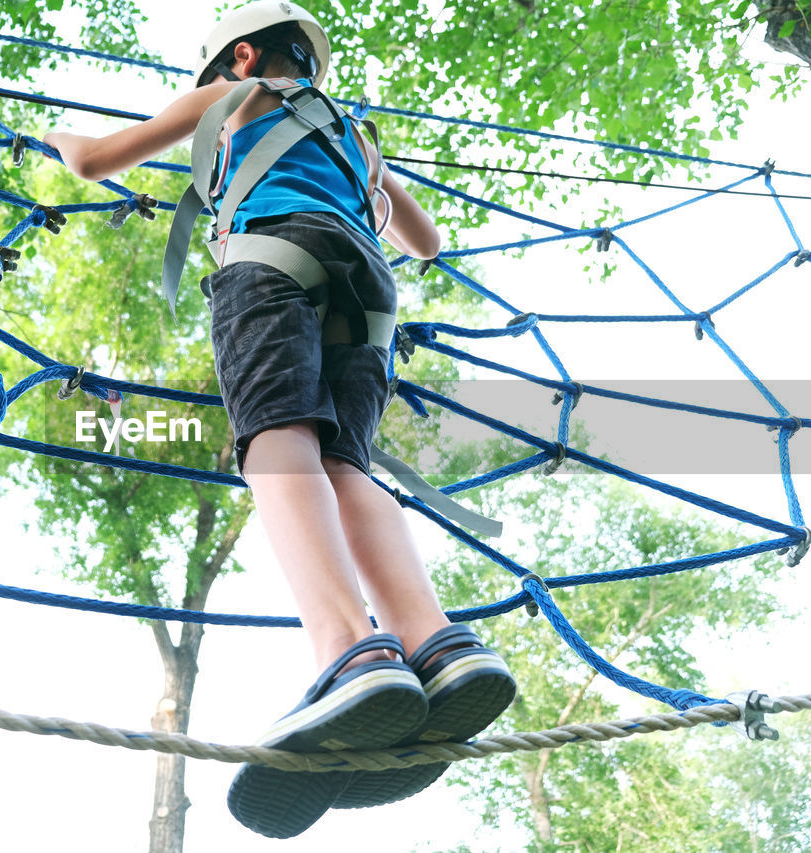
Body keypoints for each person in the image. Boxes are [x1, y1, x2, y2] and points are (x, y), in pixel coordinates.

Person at [44, 0, 515, 838]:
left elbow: (93, 163)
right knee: (346, 467)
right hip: (371, 290)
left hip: (270, 260)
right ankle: (436, 643)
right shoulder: (354, 134)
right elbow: (428, 241)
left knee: (276, 439)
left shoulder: (237, 92)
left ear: (243, 54)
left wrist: (49, 134)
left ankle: (349, 648)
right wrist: (369, 188)